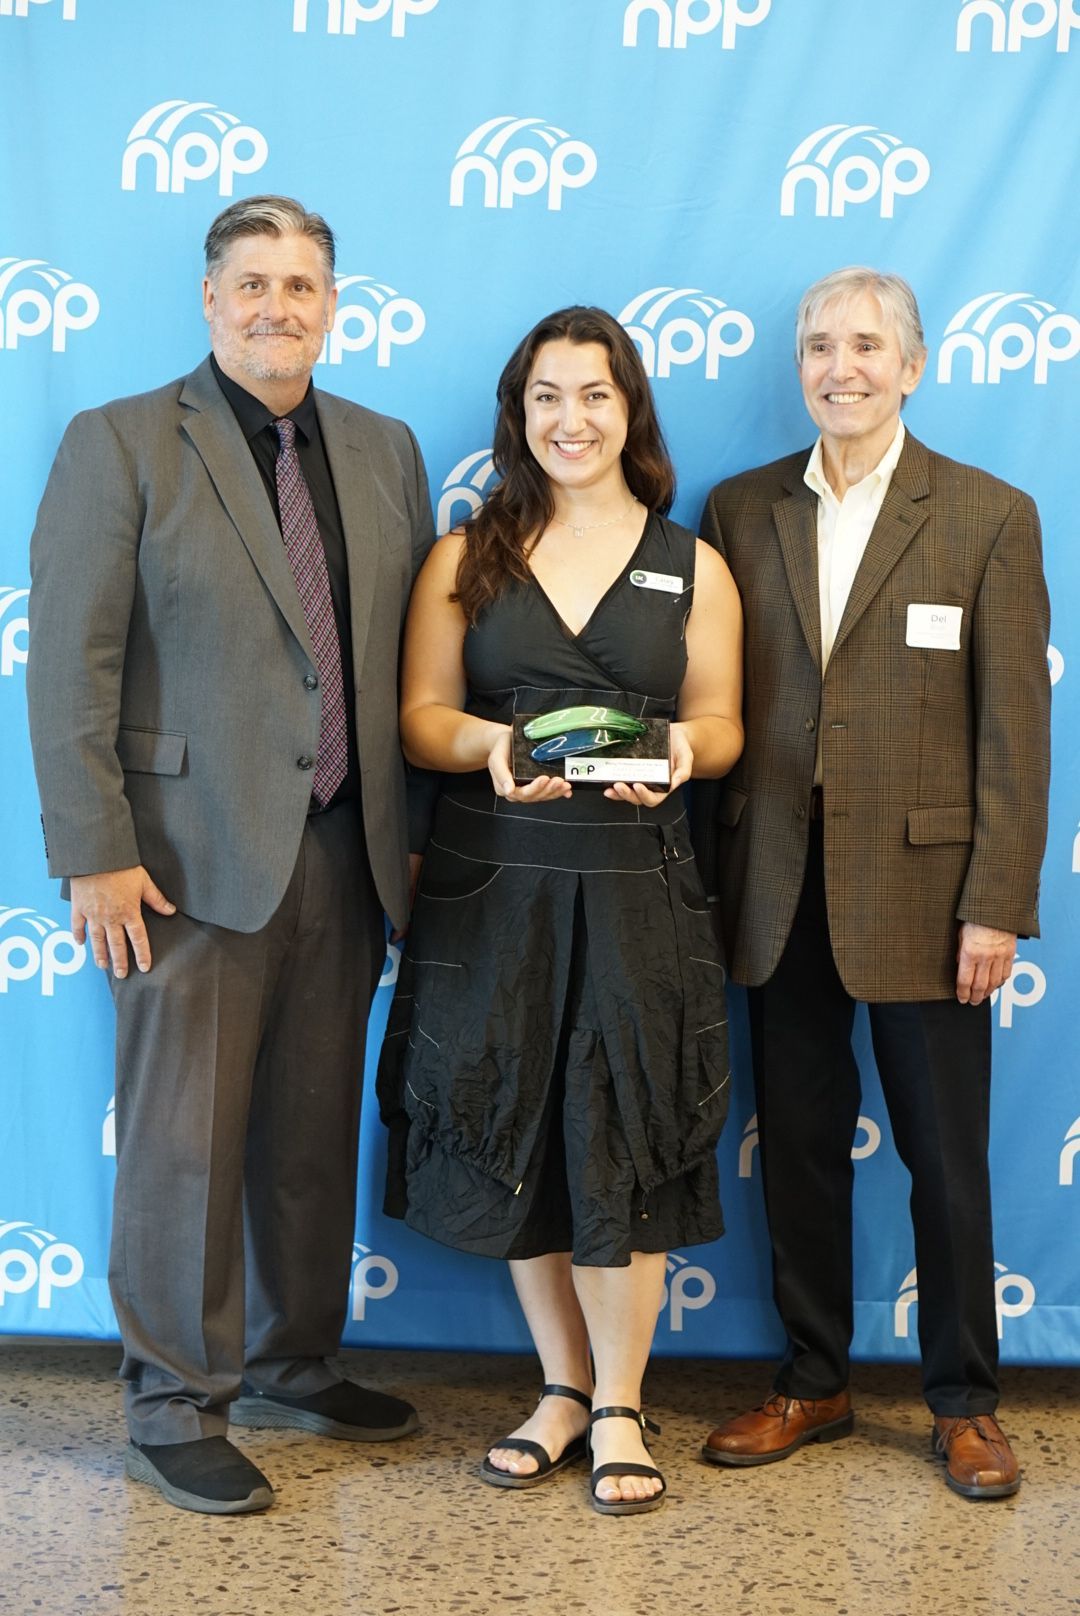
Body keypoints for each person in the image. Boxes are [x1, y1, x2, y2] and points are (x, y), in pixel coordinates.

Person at [26, 195, 434, 1515]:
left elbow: (391, 663)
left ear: (334, 301)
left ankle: (293, 1358)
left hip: (346, 850)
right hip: (179, 862)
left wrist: (412, 850)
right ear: (211, 301)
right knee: (184, 1144)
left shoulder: (384, 450)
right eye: (252, 282)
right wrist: (93, 848)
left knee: (313, 1132)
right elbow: (72, 665)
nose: (278, 305)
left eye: (302, 283)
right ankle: (170, 1399)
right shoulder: (122, 441)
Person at [376, 305, 743, 1515]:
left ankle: (626, 1400)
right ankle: (561, 1388)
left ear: (629, 408)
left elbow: (727, 722)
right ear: (517, 412)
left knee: (624, 1133)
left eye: (594, 393)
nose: (570, 418)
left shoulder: (693, 563)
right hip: (494, 892)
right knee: (520, 1126)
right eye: (547, 396)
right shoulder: (465, 554)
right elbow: (421, 717)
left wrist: (680, 754)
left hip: (639, 885)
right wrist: (494, 743)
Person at [697, 266, 1050, 1499]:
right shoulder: (738, 510)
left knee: (946, 1159)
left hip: (931, 895)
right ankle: (815, 1378)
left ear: (912, 363)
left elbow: (1015, 731)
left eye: (862, 345)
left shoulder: (989, 515)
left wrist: (998, 901)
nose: (837, 366)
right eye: (816, 346)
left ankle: (965, 1401)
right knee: (795, 1146)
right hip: (777, 882)